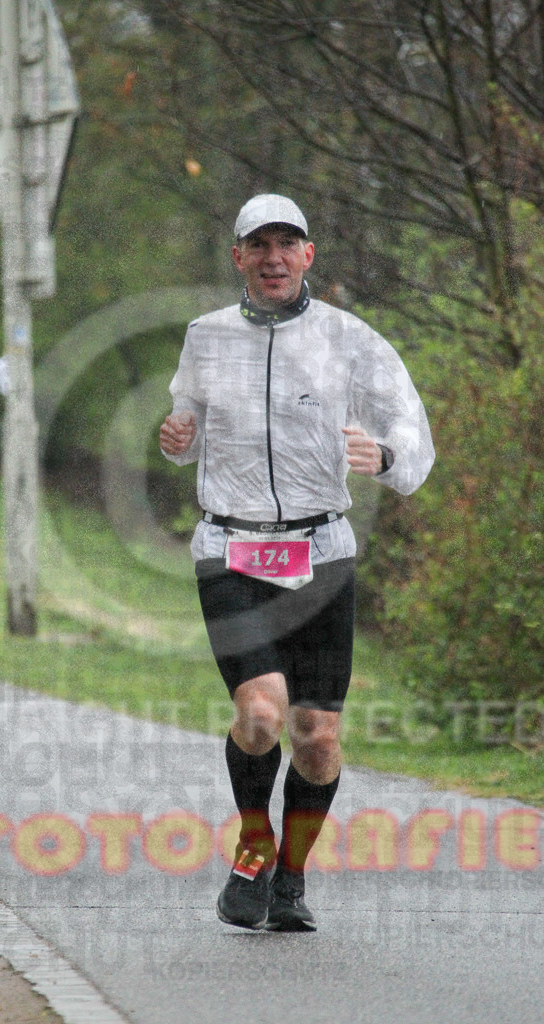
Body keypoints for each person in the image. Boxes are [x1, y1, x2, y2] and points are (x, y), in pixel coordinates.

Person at [160, 194, 435, 931]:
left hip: (320, 553)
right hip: (231, 549)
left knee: (315, 739)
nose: (274, 258)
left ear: (308, 254)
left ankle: (289, 880)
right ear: (238, 257)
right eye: (259, 245)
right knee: (259, 713)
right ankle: (253, 844)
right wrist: (176, 436)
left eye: (288, 244)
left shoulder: (349, 338)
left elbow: (408, 422)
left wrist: (385, 456)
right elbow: (185, 427)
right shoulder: (205, 337)